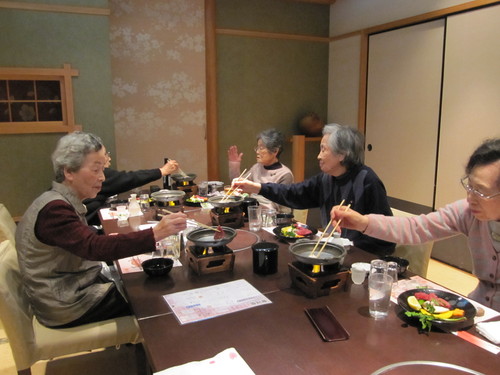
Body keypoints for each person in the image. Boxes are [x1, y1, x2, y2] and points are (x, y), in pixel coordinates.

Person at [15, 132, 187, 328]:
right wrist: (155, 233)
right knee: (158, 296)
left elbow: (83, 240)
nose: (103, 178)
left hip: (69, 288)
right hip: (67, 303)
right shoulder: (55, 211)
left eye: (103, 169)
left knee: (144, 280)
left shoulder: (57, 200)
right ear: (69, 172)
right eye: (96, 170)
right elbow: (94, 248)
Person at [330, 138, 500, 311]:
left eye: (480, 191)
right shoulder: (467, 211)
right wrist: (363, 222)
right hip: (480, 310)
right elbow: (416, 227)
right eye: (469, 186)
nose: (470, 198)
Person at [235, 124, 395, 256]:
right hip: (331, 253)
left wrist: (350, 245)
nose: (318, 156)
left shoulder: (367, 180)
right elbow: (294, 193)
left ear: (342, 155)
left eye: (323, 150)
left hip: (361, 258)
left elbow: (386, 236)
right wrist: (258, 188)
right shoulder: (326, 178)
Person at [83, 151, 180, 225]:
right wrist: (161, 171)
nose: (109, 158)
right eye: (106, 155)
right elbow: (129, 178)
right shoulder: (96, 175)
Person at [228, 128, 294, 213]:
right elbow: (238, 185)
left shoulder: (285, 174)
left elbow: (283, 210)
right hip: (253, 213)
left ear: (275, 151)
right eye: (257, 147)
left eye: (261, 148)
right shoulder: (257, 167)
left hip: (271, 219)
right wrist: (234, 164)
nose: (257, 151)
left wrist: (254, 203)